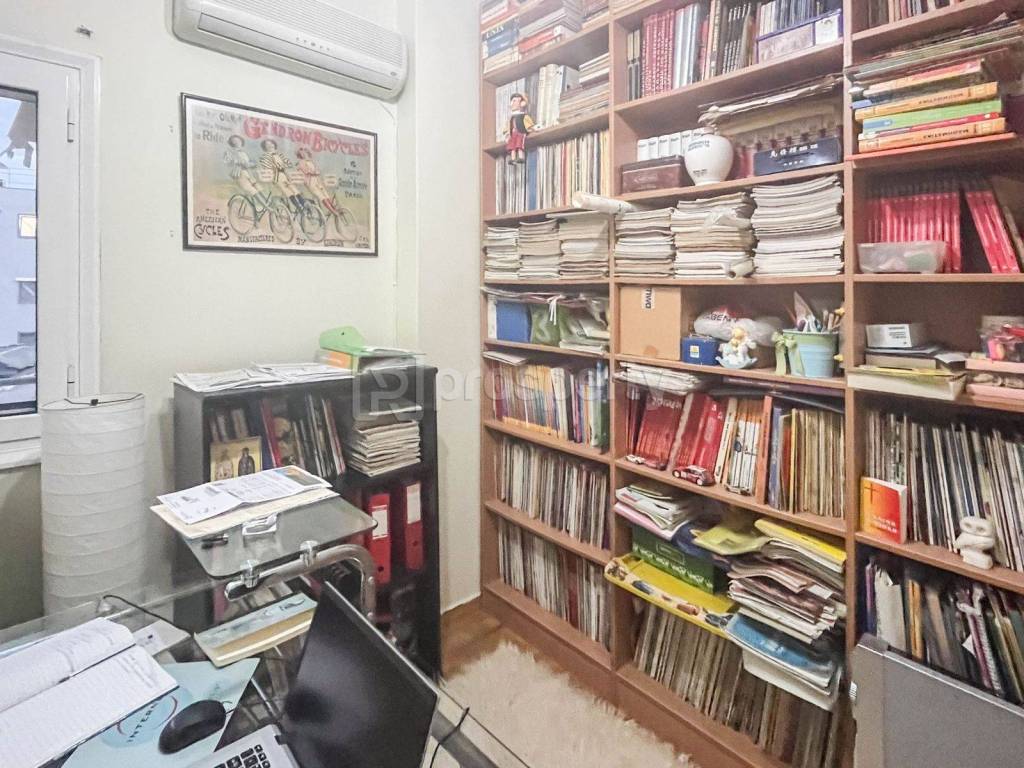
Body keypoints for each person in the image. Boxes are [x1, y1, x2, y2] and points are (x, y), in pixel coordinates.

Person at [259, 138, 304, 211]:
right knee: (288, 191)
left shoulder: (279, 155)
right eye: (267, 144)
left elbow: (289, 163)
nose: (270, 145)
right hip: (275, 177)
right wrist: (279, 167)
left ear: (274, 144)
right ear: (265, 147)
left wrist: (282, 166)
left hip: (284, 175)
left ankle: (304, 205)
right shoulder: (265, 157)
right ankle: (299, 207)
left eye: (271, 143)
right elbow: (267, 167)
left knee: (294, 190)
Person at [296, 147, 341, 216]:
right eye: (302, 152)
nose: (303, 153)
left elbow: (317, 170)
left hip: (316, 181)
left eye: (304, 152)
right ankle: (333, 211)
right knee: (322, 198)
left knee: (326, 196)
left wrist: (316, 172)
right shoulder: (301, 163)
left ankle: (334, 209)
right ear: (300, 154)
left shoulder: (310, 161)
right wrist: (315, 172)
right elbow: (308, 172)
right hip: (310, 183)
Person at [223, 135, 267, 205]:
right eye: (234, 141)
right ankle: (266, 206)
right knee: (252, 191)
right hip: (239, 173)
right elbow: (227, 162)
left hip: (249, 174)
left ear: (241, 141)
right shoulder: (229, 152)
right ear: (232, 143)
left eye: (238, 140)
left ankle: (268, 204)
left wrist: (251, 164)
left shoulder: (243, 153)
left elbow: (248, 163)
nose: (237, 142)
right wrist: (237, 162)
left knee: (259, 188)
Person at [504, 92, 534, 165]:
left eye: (514, 101)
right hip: (512, 133)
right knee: (512, 146)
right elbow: (507, 126)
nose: (512, 104)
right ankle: (513, 158)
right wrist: (507, 133)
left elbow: (528, 123)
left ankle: (521, 157)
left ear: (522, 103)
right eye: (512, 101)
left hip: (520, 132)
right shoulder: (511, 117)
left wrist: (531, 128)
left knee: (519, 145)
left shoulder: (523, 116)